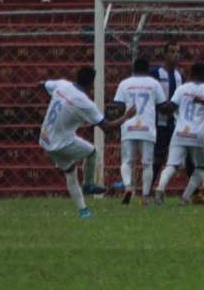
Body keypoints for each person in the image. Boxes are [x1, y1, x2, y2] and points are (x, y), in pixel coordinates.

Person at [39, 68, 133, 218]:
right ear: (91, 84)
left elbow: (43, 84)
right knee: (92, 152)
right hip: (61, 143)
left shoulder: (62, 85)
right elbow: (106, 128)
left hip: (45, 139)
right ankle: (88, 184)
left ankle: (84, 211)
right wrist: (126, 117)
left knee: (71, 171)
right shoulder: (85, 103)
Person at [154, 62, 204, 205]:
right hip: (199, 134)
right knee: (201, 167)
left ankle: (160, 188)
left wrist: (157, 104)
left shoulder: (182, 89)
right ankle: (186, 197)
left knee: (172, 165)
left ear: (191, 73)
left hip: (180, 132)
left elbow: (169, 108)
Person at [113, 58, 167, 206]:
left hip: (128, 126)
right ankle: (145, 197)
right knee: (147, 164)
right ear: (148, 69)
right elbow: (162, 106)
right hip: (147, 127)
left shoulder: (124, 83)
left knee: (127, 161)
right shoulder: (154, 84)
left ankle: (128, 186)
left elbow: (118, 106)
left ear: (133, 68)